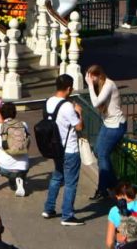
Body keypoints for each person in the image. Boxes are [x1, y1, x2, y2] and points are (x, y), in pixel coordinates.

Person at [41, 73, 83, 225]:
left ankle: (49, 208)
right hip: (70, 149)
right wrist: (79, 112)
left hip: (55, 148)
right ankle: (67, 215)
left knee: (57, 177)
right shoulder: (67, 107)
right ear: (69, 88)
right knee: (70, 183)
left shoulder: (48, 102)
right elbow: (79, 127)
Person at [86, 65, 125, 200]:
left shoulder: (109, 84)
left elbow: (96, 103)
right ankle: (115, 184)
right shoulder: (100, 85)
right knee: (97, 151)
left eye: (92, 78)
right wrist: (92, 85)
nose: (91, 81)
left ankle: (102, 189)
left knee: (103, 154)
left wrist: (90, 86)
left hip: (116, 125)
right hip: (108, 124)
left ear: (99, 75)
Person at [0, 102, 30, 196]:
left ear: (1, 114)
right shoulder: (23, 124)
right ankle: (19, 179)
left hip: (5, 168)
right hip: (24, 167)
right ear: (15, 113)